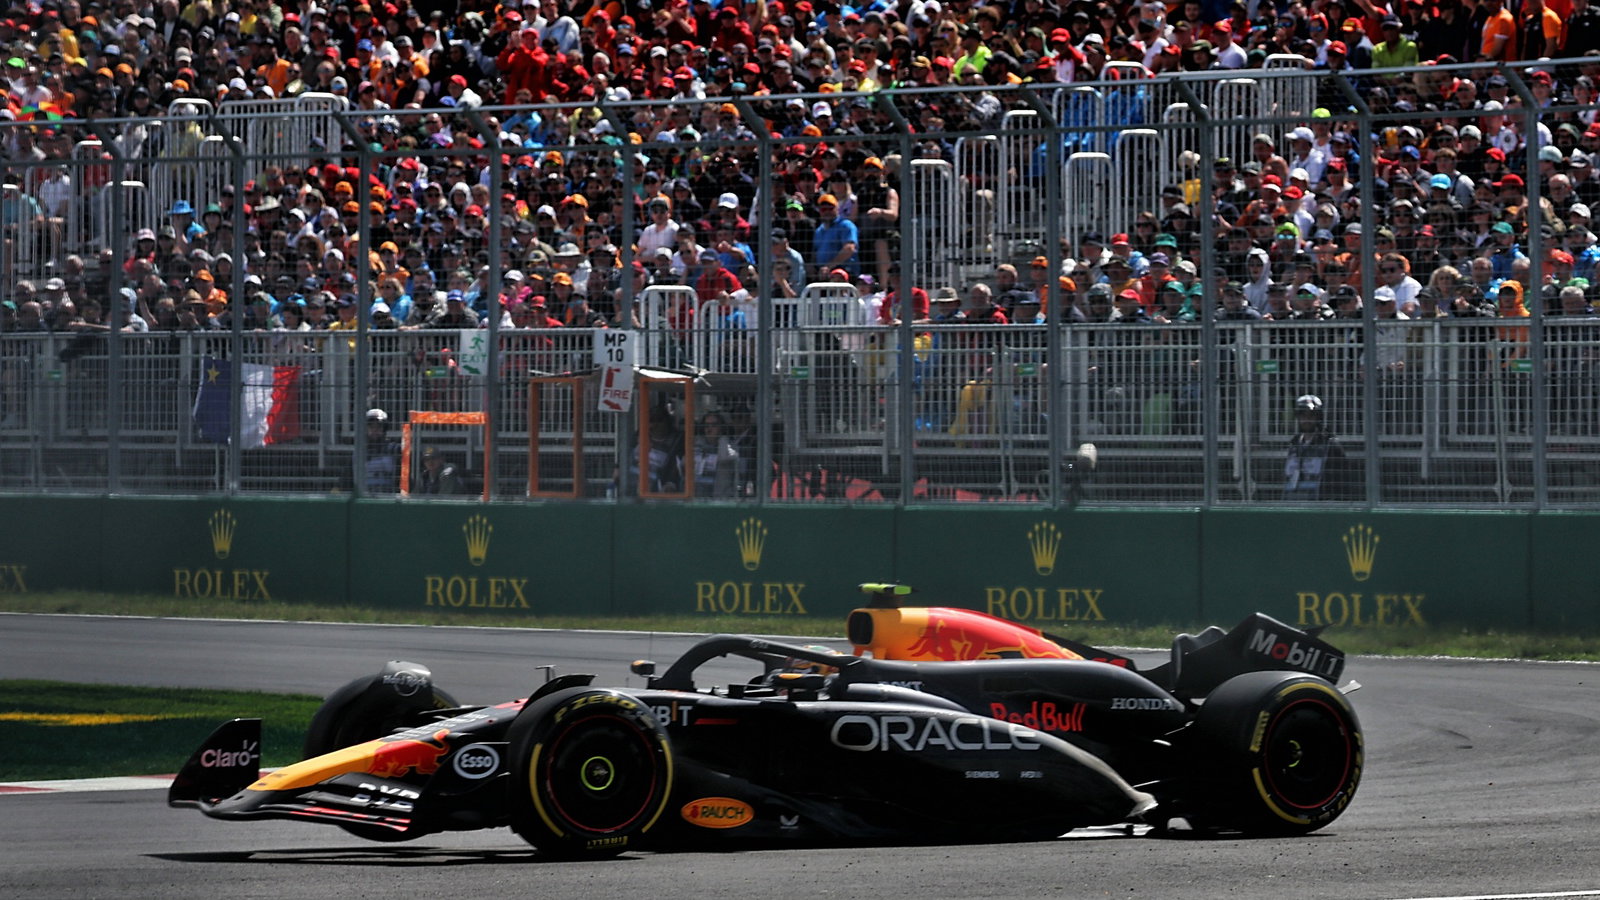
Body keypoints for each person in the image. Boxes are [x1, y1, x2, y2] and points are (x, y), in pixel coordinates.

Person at [1283, 394, 1355, 501]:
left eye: (1311, 416)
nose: (1306, 420)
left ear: (1318, 417)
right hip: (1294, 501)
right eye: (1302, 416)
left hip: (1322, 504)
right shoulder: (1293, 444)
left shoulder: (1330, 444)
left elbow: (1343, 481)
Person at [362, 408, 400, 495]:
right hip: (364, 498)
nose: (374, 430)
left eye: (378, 426)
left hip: (389, 498)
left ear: (384, 429)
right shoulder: (359, 452)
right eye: (371, 427)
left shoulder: (395, 449)